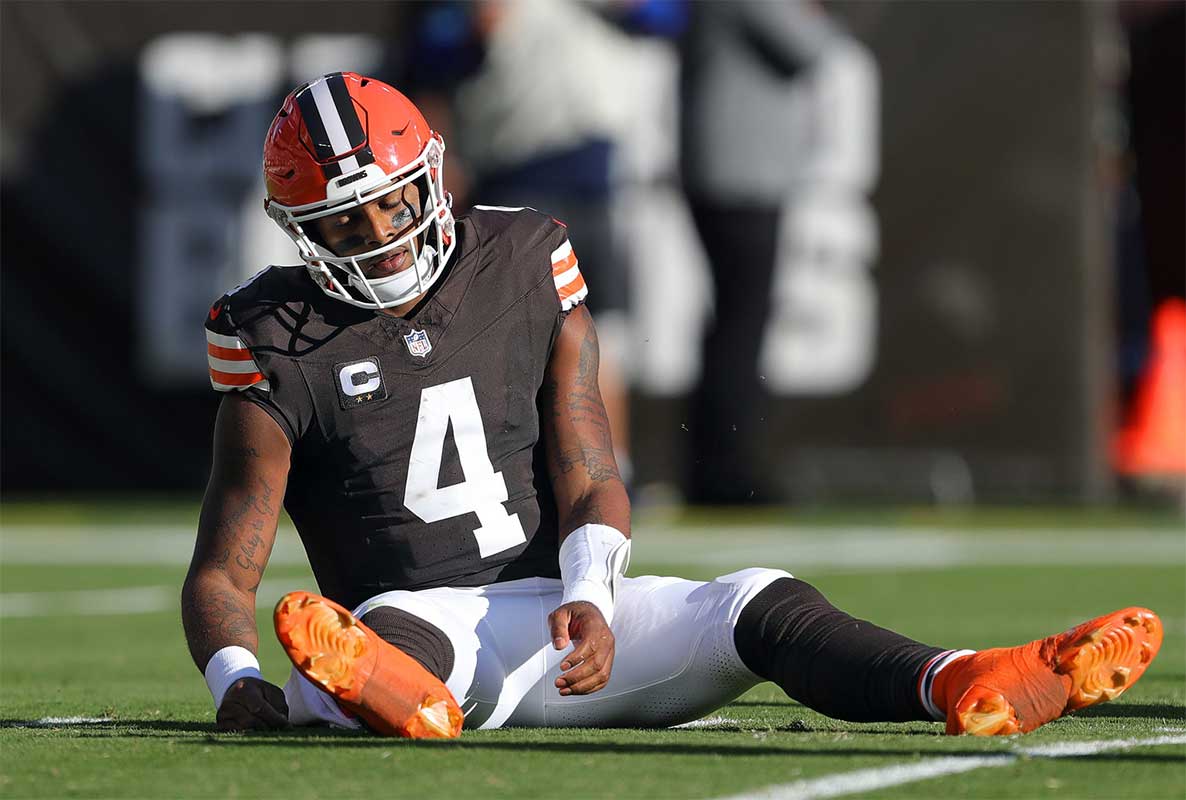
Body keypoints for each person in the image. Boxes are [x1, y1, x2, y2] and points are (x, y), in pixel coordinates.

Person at [181, 73, 1162, 738]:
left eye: (391, 204)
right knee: (370, 635)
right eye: (342, 221)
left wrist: (592, 593)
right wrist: (236, 682)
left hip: (565, 613)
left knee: (755, 597)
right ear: (298, 229)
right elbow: (227, 559)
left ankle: (963, 676)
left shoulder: (523, 257)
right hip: (420, 619)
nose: (379, 237)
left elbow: (587, 463)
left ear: (431, 177)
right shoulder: (269, 332)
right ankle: (365, 695)